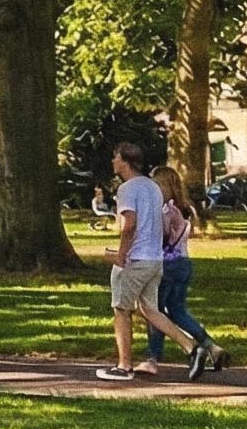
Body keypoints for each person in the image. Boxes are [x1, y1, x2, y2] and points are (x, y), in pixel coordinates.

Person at [95, 142, 216, 381]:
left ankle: (124, 366)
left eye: (115, 157)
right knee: (151, 310)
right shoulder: (152, 187)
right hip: (155, 260)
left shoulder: (127, 189)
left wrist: (120, 255)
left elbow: (129, 225)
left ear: (125, 161)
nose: (113, 162)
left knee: (121, 310)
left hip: (135, 259)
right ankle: (193, 347)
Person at [145, 165, 221, 373]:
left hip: (165, 265)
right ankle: (210, 345)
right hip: (184, 263)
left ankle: (153, 356)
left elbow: (161, 237)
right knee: (178, 310)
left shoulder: (166, 210)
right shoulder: (185, 209)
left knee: (154, 311)